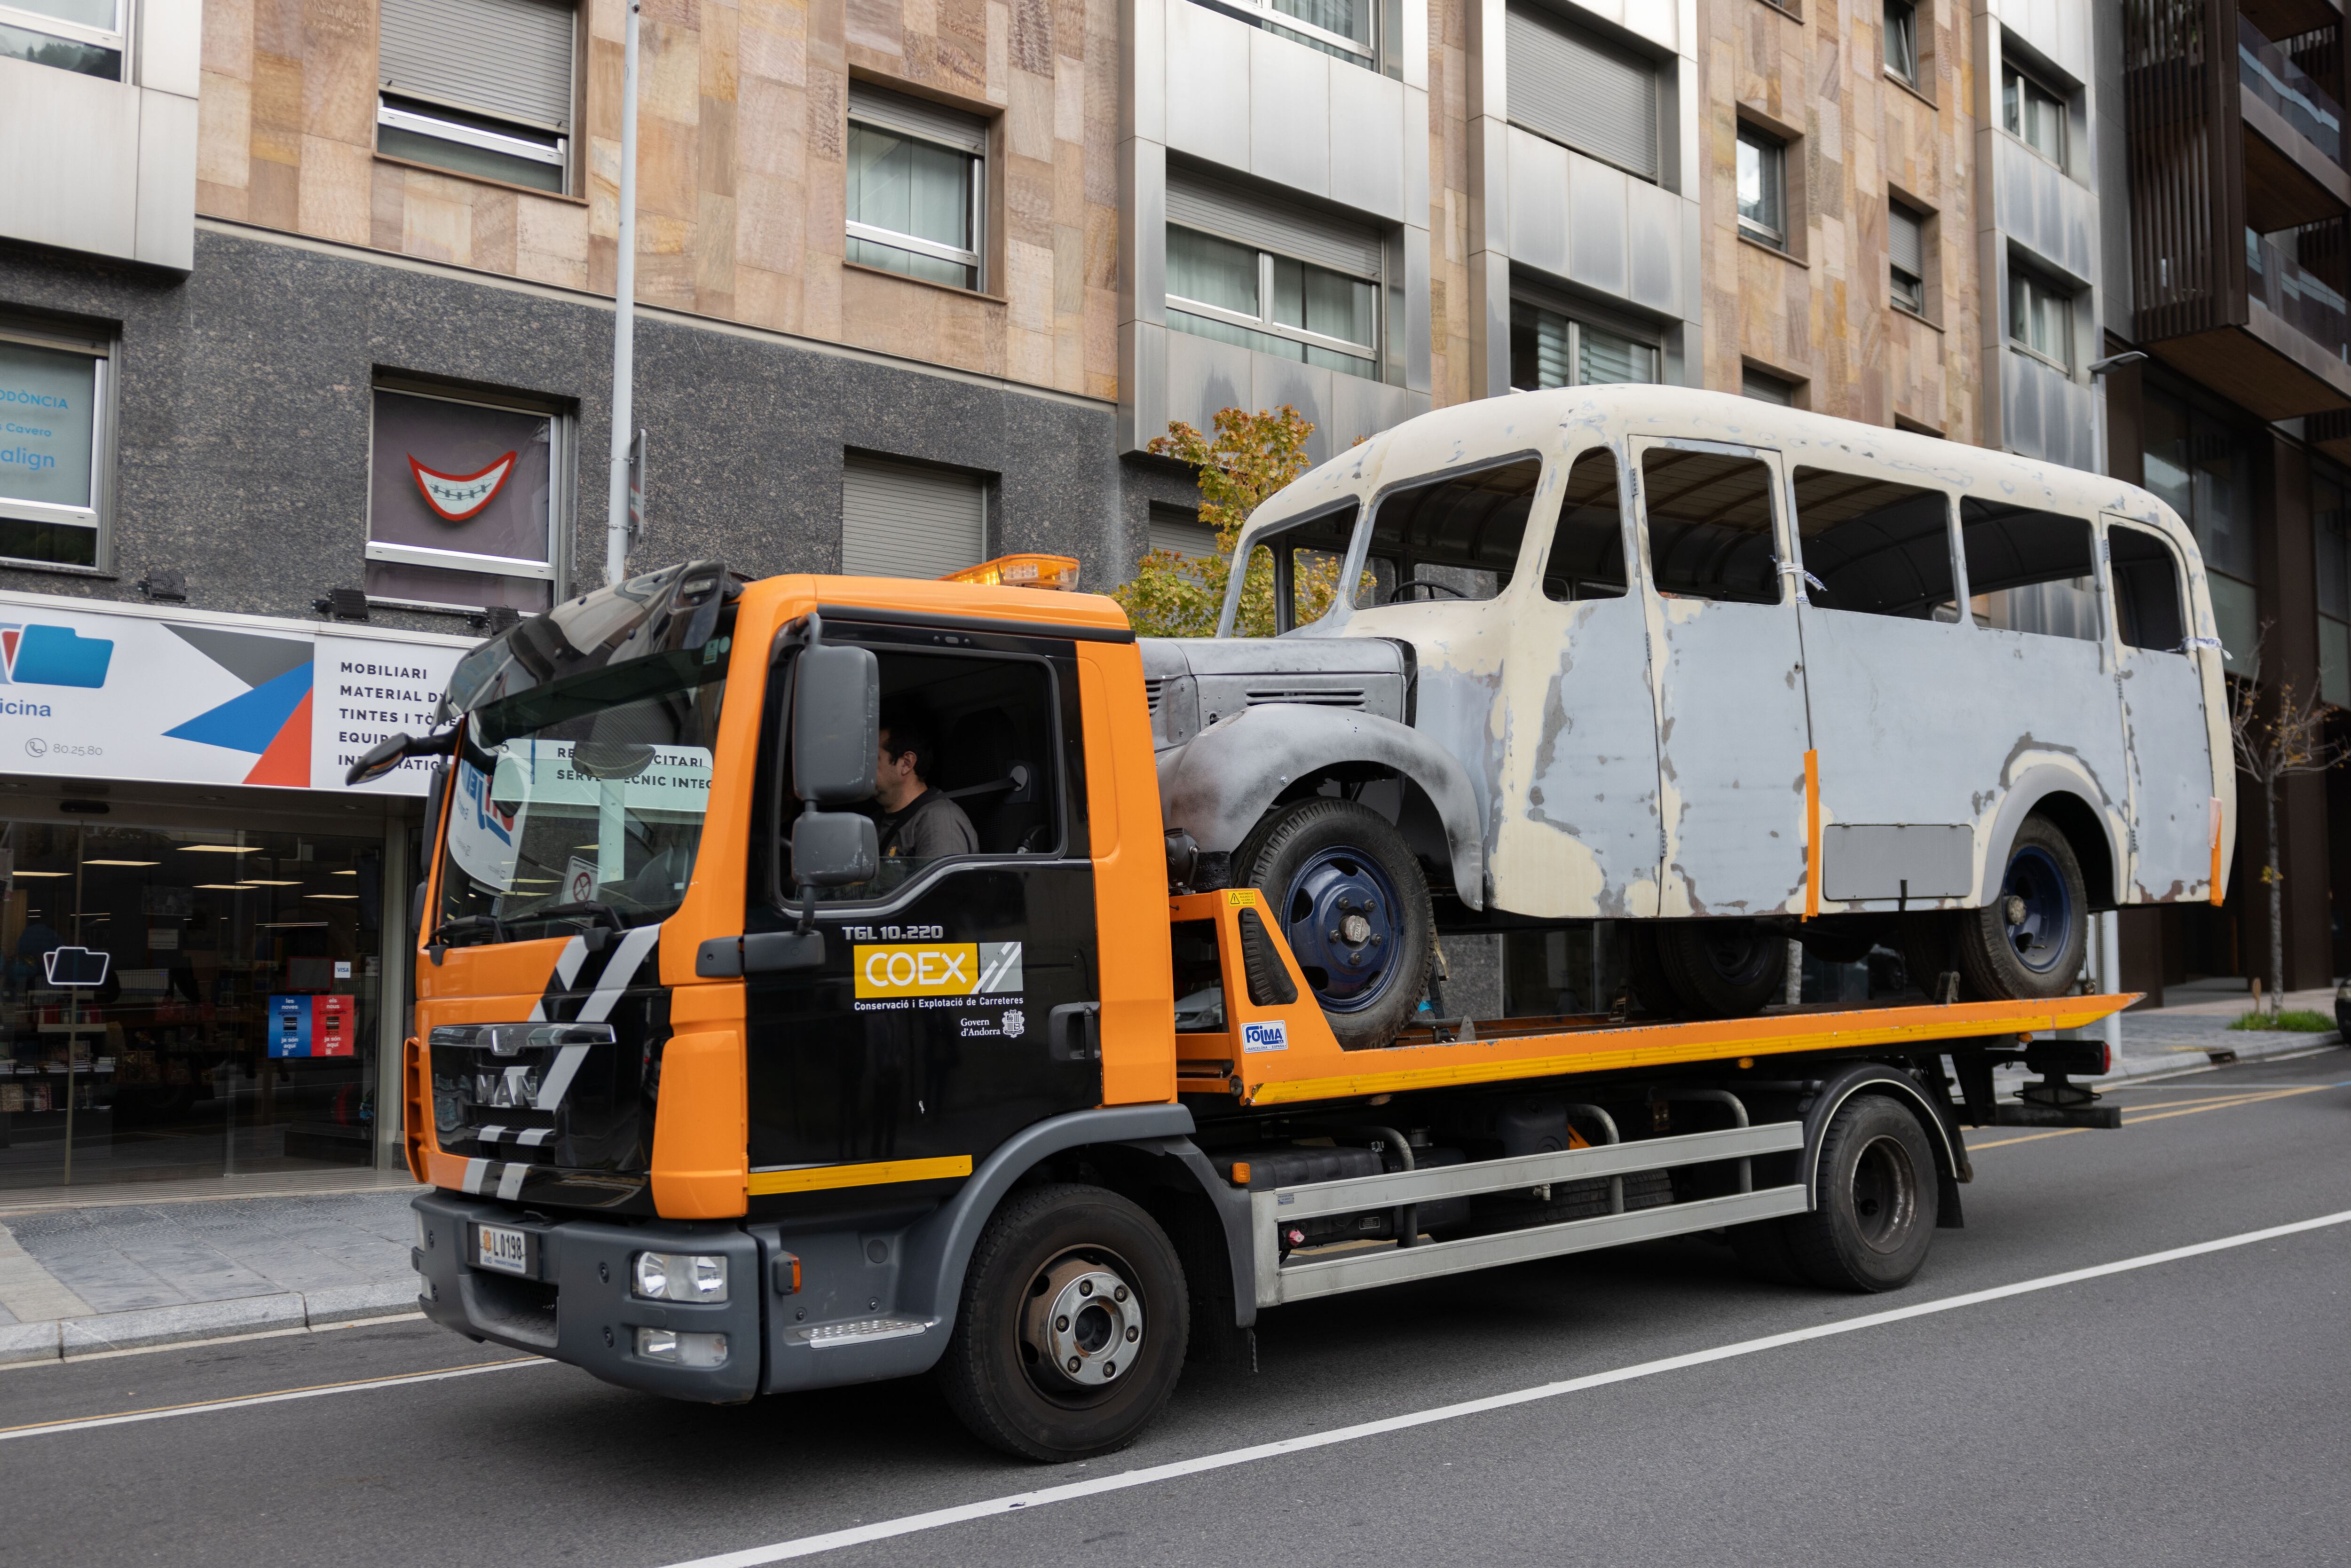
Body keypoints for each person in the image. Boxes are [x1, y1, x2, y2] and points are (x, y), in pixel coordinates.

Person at [873, 706, 977, 861]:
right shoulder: (875, 822)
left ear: (906, 763)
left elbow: (945, 886)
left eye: (874, 759)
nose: (865, 769)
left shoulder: (938, 821)